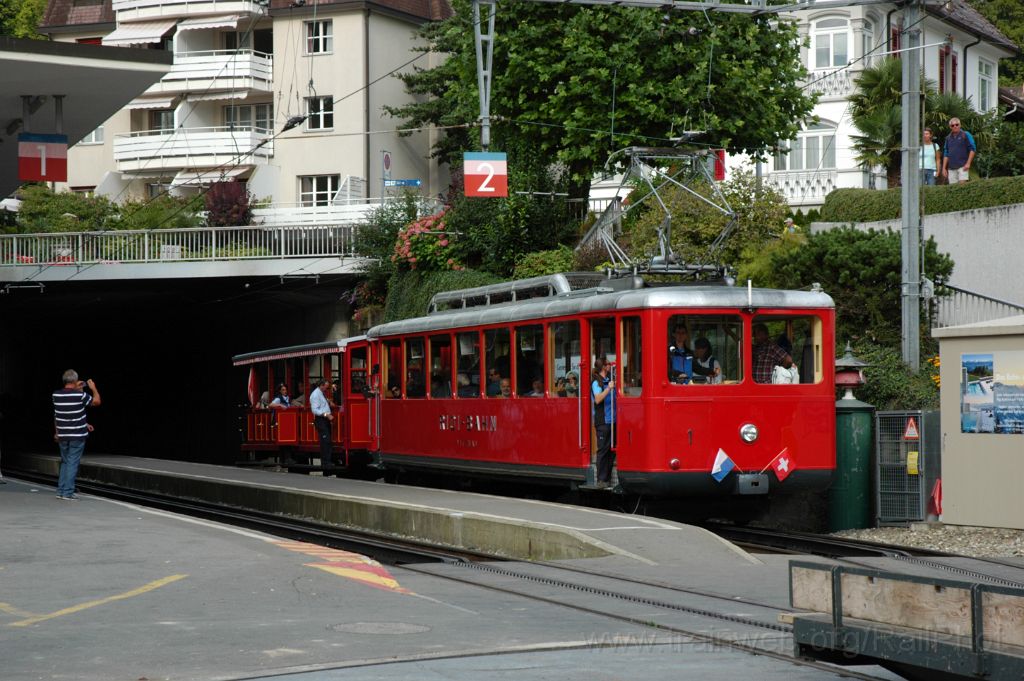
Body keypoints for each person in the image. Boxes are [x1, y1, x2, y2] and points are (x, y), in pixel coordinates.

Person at [52, 370, 101, 500]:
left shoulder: (56, 395)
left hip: (62, 435)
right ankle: (68, 493)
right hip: (76, 436)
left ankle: (60, 491)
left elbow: (61, 415)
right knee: (73, 463)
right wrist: (93, 388)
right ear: (74, 381)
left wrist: (57, 432)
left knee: (65, 462)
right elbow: (97, 402)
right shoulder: (80, 395)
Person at [591, 359, 615, 488]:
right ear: (604, 367)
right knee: (603, 450)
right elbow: (598, 399)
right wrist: (609, 389)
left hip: (613, 420)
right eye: (609, 364)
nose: (610, 366)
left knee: (611, 451)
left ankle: (608, 478)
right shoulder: (597, 382)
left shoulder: (610, 380)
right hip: (603, 421)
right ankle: (601, 480)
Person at [309, 378, 337, 472]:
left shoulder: (321, 393)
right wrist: (326, 414)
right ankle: (325, 463)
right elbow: (315, 410)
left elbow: (323, 402)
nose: (327, 389)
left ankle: (327, 462)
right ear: (321, 385)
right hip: (321, 420)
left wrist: (329, 402)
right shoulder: (315, 395)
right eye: (326, 387)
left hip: (325, 420)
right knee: (325, 441)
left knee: (327, 441)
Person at [942, 118, 976, 185]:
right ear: (950, 127)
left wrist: (968, 163)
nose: (955, 126)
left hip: (963, 166)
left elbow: (973, 149)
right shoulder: (948, 138)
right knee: (952, 189)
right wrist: (943, 168)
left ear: (960, 125)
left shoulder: (965, 134)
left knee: (962, 187)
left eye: (956, 124)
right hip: (951, 168)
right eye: (952, 125)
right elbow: (946, 153)